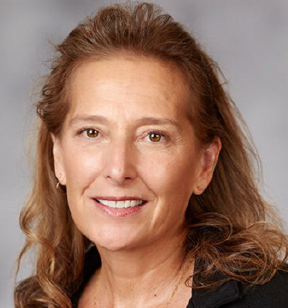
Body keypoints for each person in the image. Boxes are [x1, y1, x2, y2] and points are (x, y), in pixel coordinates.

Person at [14, 2, 288, 308]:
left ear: (204, 164)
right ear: (59, 156)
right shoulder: (44, 300)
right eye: (92, 133)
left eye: (153, 136)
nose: (118, 170)